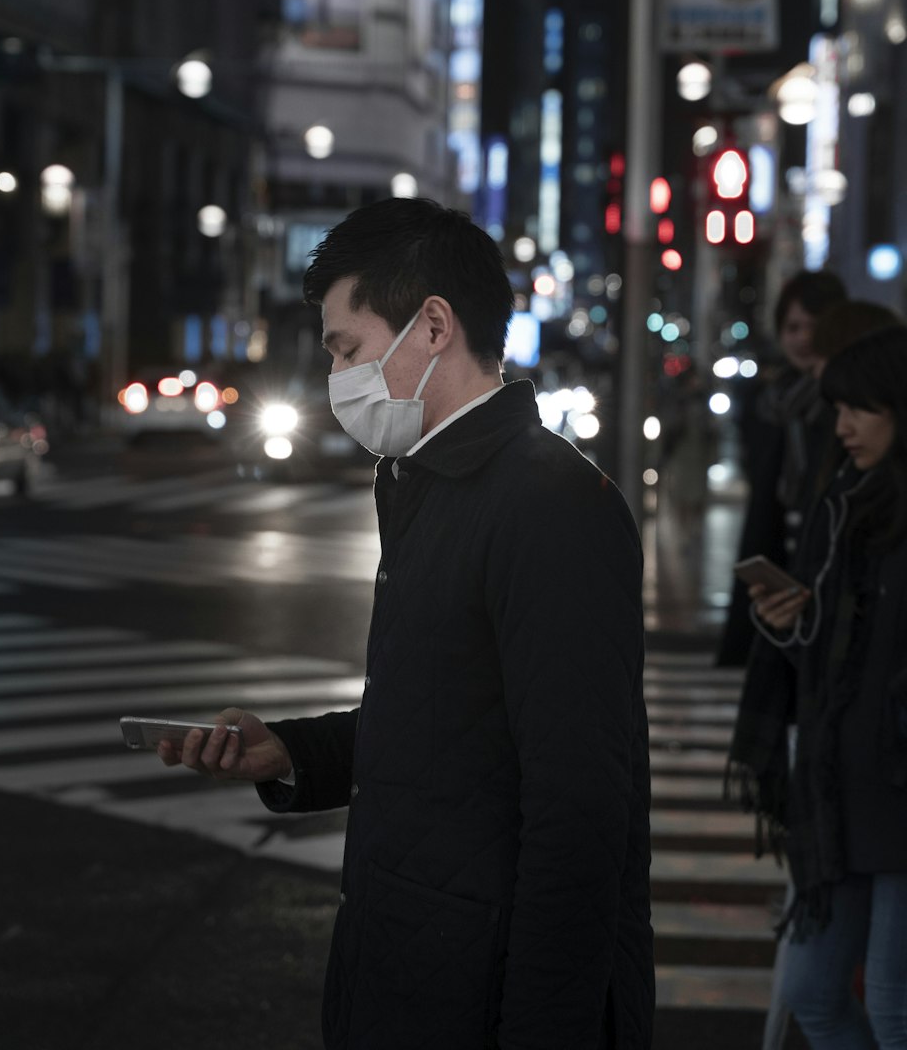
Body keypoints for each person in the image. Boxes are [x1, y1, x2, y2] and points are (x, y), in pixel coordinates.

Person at [156, 197, 655, 1049]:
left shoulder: (547, 502)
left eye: (347, 349)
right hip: (414, 966)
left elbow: (578, 809)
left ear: (432, 325)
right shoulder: (431, 482)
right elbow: (449, 717)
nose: (338, 378)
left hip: (480, 987)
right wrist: (291, 750)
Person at [736, 325, 907, 1048]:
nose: (842, 426)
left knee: (896, 1008)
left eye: (860, 409)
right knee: (811, 991)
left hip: (896, 790)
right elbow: (840, 659)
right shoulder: (849, 503)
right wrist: (790, 622)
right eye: (837, 408)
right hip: (842, 791)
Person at [716, 269, 847, 668]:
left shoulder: (848, 403)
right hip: (779, 563)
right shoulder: (772, 402)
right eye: (792, 327)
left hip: (829, 567)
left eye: (815, 326)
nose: (803, 338)